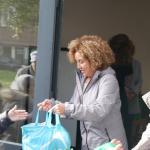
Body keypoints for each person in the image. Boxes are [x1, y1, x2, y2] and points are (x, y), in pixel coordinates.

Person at [38, 35, 128, 150]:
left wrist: (66, 108)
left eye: (81, 62)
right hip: (89, 145)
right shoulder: (83, 80)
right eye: (76, 62)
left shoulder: (108, 80)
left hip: (110, 145)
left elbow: (99, 111)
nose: (78, 66)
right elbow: (74, 106)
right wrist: (54, 106)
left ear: (94, 59)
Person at [108, 34, 133, 147]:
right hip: (121, 96)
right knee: (123, 128)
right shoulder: (128, 63)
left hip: (107, 93)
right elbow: (128, 85)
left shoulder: (107, 61)